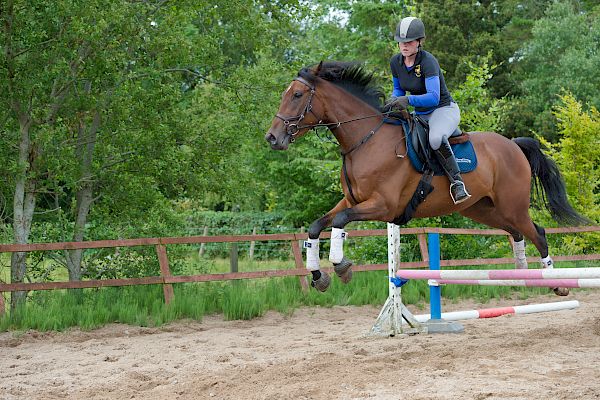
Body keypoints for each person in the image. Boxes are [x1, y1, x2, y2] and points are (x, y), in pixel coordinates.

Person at [385, 17, 471, 204]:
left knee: (435, 139)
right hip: (421, 114)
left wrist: (407, 100)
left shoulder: (428, 61)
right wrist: (393, 101)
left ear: (419, 42)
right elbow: (398, 89)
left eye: (408, 42)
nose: (404, 46)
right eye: (401, 42)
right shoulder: (396, 62)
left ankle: (457, 182)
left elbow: (434, 96)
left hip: (443, 109)